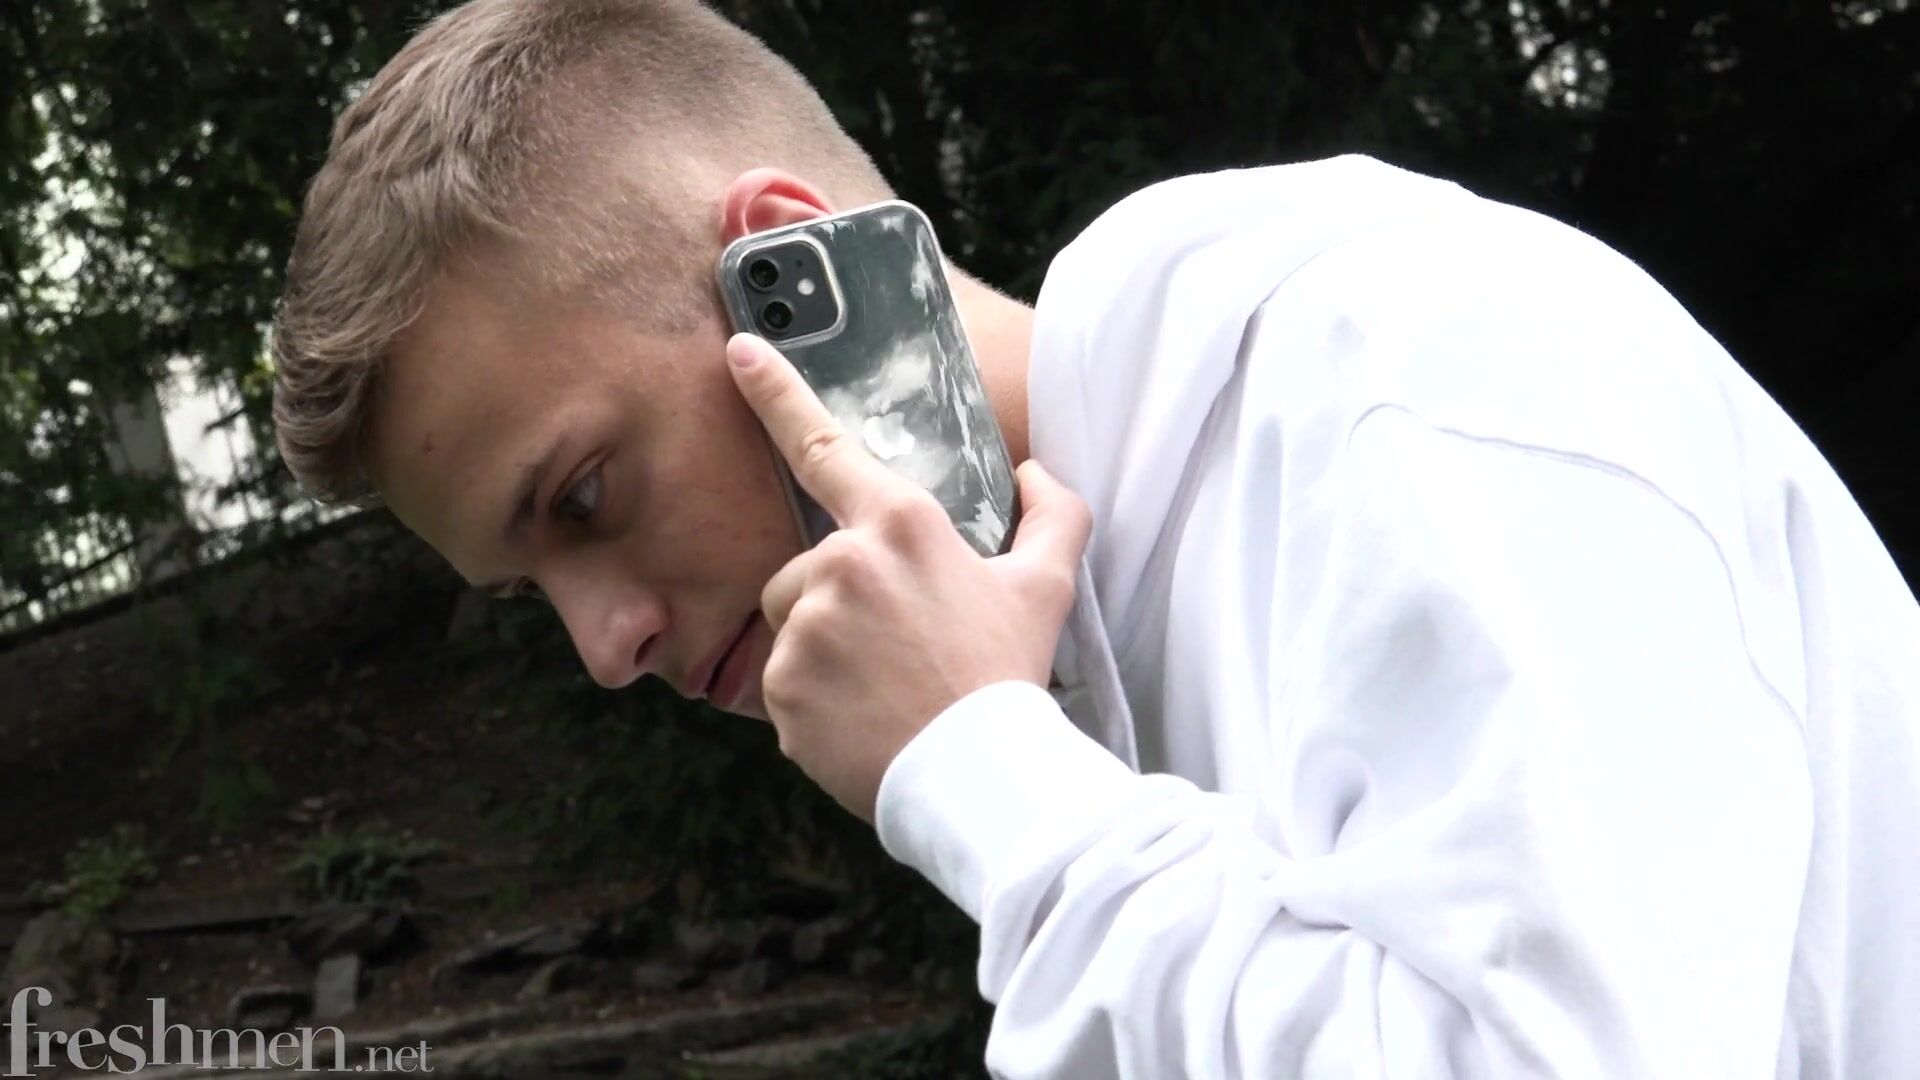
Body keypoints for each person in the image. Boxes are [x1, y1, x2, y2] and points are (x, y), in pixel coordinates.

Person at [268, 1, 1920, 1076]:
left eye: (581, 499)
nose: (605, 646)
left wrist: (1003, 793)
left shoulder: (1420, 379)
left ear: (790, 268)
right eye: (531, 592)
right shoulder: (1071, 663)